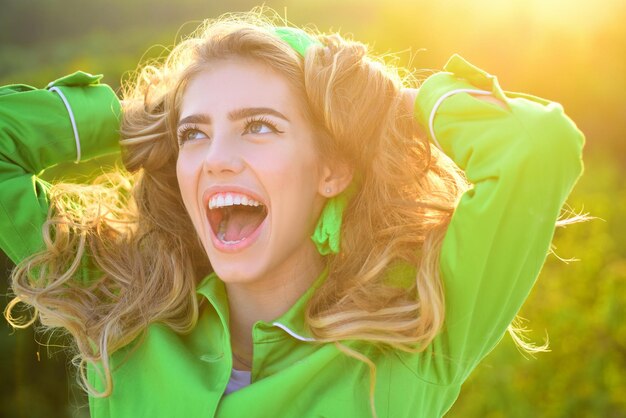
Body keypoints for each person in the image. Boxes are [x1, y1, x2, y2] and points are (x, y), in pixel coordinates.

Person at [1, 11, 585, 418]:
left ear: (332, 168)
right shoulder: (124, 308)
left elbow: (539, 145)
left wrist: (381, 106)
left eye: (259, 126)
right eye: (195, 134)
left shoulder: (414, 336)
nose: (216, 160)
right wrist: (142, 118)